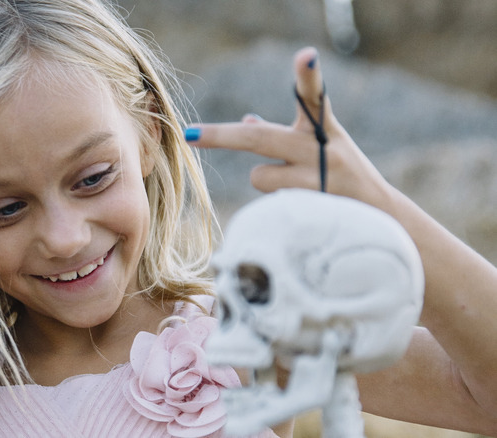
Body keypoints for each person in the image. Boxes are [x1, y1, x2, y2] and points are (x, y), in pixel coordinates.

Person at [0, 1, 497, 437]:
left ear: (148, 133)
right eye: (3, 209)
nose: (65, 236)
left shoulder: (245, 338)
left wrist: (381, 208)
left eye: (93, 179)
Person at [187, 47, 497, 435]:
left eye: (97, 177)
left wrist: (376, 202)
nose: (82, 237)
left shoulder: (225, 329)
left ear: (149, 143)